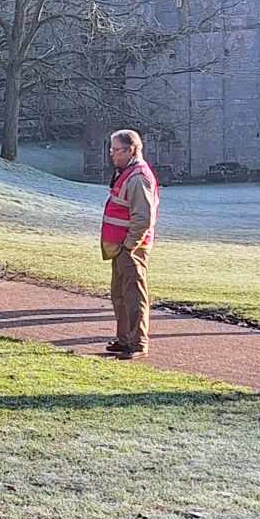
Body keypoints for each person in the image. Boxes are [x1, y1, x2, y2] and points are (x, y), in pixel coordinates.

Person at [101, 128, 159, 359]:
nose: (112, 154)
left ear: (131, 150)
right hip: (120, 247)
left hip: (132, 247)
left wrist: (129, 246)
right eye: (111, 149)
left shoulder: (138, 177)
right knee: (120, 294)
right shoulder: (126, 173)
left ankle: (137, 343)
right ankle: (124, 339)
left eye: (116, 150)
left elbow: (144, 217)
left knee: (134, 295)